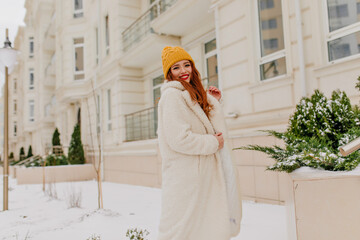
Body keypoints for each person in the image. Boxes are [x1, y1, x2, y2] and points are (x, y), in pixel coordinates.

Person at [157, 46, 242, 240]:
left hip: (199, 174)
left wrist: (213, 103)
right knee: (182, 231)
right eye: (176, 68)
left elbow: (204, 126)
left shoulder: (189, 94)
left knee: (201, 229)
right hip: (186, 177)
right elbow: (179, 139)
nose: (183, 71)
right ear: (169, 73)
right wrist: (213, 143)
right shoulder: (172, 96)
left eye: (186, 65)